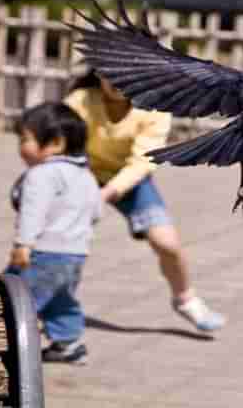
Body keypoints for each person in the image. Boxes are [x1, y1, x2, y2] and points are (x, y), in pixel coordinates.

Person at [63, 70, 226, 332]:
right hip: (83, 176)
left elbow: (143, 161)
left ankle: (186, 300)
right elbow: (65, 147)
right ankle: (46, 304)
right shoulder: (79, 101)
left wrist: (107, 193)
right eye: (111, 74)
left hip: (132, 180)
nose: (117, 83)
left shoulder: (155, 107)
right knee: (63, 243)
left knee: (168, 243)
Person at [6, 101, 103, 364]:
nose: (20, 146)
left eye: (25, 139)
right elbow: (96, 212)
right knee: (61, 300)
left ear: (56, 143)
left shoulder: (41, 174)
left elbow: (32, 213)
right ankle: (68, 344)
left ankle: (7, 345)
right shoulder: (86, 175)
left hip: (42, 253)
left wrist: (23, 244)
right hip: (75, 255)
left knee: (17, 300)